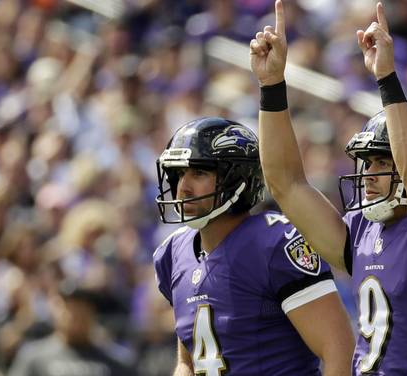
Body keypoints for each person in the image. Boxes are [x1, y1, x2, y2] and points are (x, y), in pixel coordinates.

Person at [250, 1, 407, 374]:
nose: (368, 173)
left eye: (383, 161)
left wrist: (387, 77)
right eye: (367, 161)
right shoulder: (366, 229)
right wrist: (272, 86)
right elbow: (286, 184)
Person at [152, 117, 354, 376]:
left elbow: (339, 351)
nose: (184, 187)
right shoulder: (173, 252)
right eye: (180, 173)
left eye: (199, 172)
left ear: (237, 179)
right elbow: (188, 361)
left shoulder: (274, 243)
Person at [8, 283, 135, 376]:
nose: (75, 316)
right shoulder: (33, 357)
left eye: (82, 310)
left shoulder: (116, 362)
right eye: (69, 309)